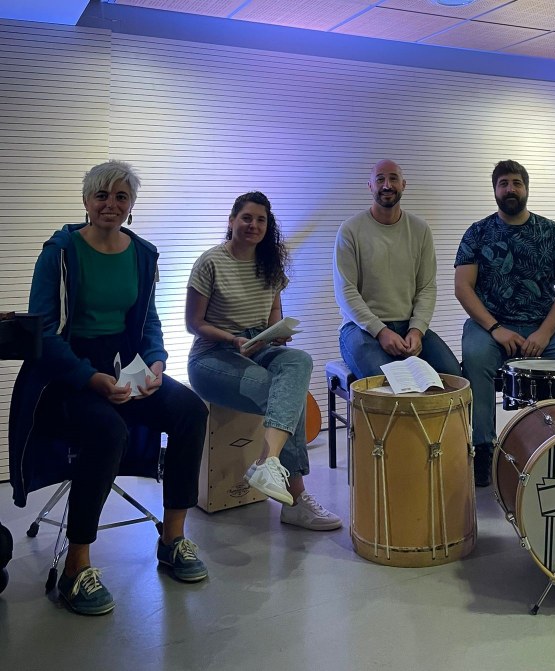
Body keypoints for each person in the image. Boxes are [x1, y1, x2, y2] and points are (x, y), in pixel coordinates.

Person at [9, 160, 209, 616]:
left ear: (131, 205)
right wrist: (91, 379)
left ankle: (172, 538)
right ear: (86, 201)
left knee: (190, 412)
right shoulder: (59, 252)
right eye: (102, 196)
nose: (110, 205)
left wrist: (157, 361)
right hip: (66, 375)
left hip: (125, 366)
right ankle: (75, 568)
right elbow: (44, 333)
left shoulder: (143, 253)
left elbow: (148, 321)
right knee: (107, 432)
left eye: (121, 197)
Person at [186, 191, 341, 531]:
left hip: (257, 347)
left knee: (298, 361)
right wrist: (232, 339)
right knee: (285, 393)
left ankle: (268, 463)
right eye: (246, 218)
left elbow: (274, 314)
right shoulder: (210, 262)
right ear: (231, 221)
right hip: (212, 355)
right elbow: (193, 323)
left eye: (261, 220)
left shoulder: (270, 264)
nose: (253, 225)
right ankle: (296, 498)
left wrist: (276, 333)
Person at [455, 160, 555, 486]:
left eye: (516, 183)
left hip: (544, 324)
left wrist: (544, 333)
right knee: (476, 361)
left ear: (526, 188)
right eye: (503, 183)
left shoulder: (550, 231)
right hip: (490, 325)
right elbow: (462, 288)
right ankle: (483, 449)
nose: (510, 189)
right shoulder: (478, 232)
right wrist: (495, 328)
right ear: (495, 190)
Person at [333, 159, 461, 380]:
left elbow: (427, 288)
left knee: (454, 378)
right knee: (390, 383)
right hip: (360, 329)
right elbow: (346, 292)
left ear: (404, 184)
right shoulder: (350, 230)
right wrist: (380, 331)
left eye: (393, 178)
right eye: (380, 179)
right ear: (370, 186)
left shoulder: (420, 230)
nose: (387, 185)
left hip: (408, 326)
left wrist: (417, 330)